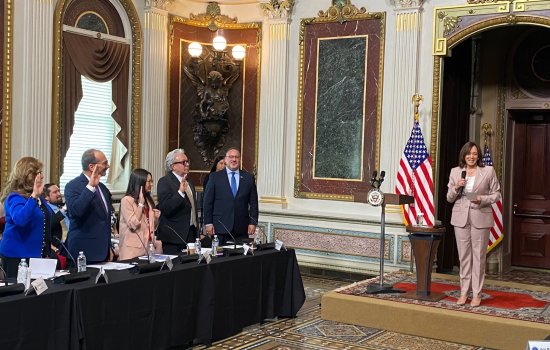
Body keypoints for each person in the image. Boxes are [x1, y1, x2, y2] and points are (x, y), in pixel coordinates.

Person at [447, 141, 501, 307]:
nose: (471, 156)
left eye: (475, 154)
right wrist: (456, 187)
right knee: (464, 258)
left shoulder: (488, 171)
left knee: (478, 257)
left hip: (480, 217)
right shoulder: (455, 172)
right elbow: (449, 198)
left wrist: (482, 199)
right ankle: (464, 293)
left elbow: (496, 194)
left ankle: (477, 294)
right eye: (469, 154)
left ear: (478, 156)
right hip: (460, 219)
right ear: (464, 155)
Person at [0, 157, 52, 278]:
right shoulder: (14, 198)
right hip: (17, 257)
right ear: (28, 176)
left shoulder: (39, 198)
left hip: (37, 256)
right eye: (38, 174)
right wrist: (34, 196)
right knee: (20, 295)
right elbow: (21, 220)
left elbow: (46, 220)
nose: (42, 177)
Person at [65, 149, 113, 263]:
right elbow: (77, 211)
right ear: (92, 167)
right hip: (83, 252)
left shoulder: (103, 188)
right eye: (105, 163)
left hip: (103, 252)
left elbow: (105, 221)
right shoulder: (72, 186)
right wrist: (91, 186)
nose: (108, 166)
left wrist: (108, 247)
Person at [203, 148, 259, 245]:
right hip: (220, 227)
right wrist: (208, 223)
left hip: (241, 227)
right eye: (231, 157)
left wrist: (253, 222)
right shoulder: (215, 177)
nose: (234, 160)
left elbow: (254, 203)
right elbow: (208, 202)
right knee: (220, 258)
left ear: (240, 159)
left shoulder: (248, 178)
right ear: (225, 160)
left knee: (240, 258)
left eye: (236, 157)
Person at [157, 149, 198, 254]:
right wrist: (180, 192)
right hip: (173, 237)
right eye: (183, 162)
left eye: (187, 161)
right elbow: (166, 208)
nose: (187, 164)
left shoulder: (189, 182)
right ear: (172, 166)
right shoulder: (164, 182)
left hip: (190, 234)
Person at [118, 169, 162, 260]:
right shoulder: (126, 200)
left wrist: (156, 219)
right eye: (149, 182)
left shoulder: (149, 200)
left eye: (151, 181)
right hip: (132, 251)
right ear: (140, 183)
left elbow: (151, 226)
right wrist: (140, 205)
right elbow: (133, 225)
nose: (151, 184)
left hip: (148, 249)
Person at [43, 183, 69, 268]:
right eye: (55, 192)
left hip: (69, 245)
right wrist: (64, 209)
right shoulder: (45, 209)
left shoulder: (60, 207)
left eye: (59, 191)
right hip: (56, 248)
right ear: (46, 197)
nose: (59, 194)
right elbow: (50, 223)